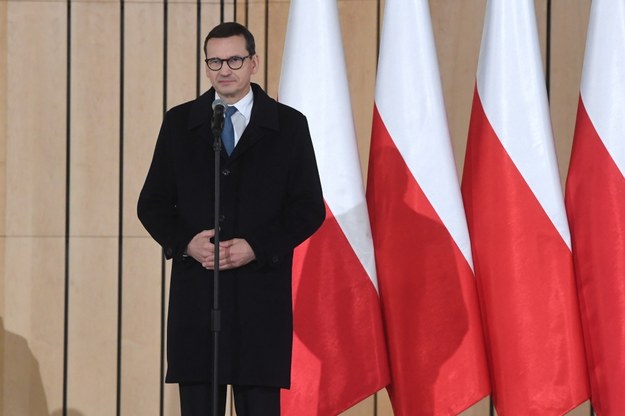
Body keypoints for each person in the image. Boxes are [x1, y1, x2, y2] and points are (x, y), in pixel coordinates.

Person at [137, 22, 325, 416]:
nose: (225, 69)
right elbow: (152, 203)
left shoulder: (288, 126)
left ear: (253, 62)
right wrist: (186, 241)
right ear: (207, 66)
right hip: (197, 299)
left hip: (260, 301)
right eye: (215, 61)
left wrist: (256, 246)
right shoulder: (180, 123)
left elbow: (308, 208)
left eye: (235, 59)